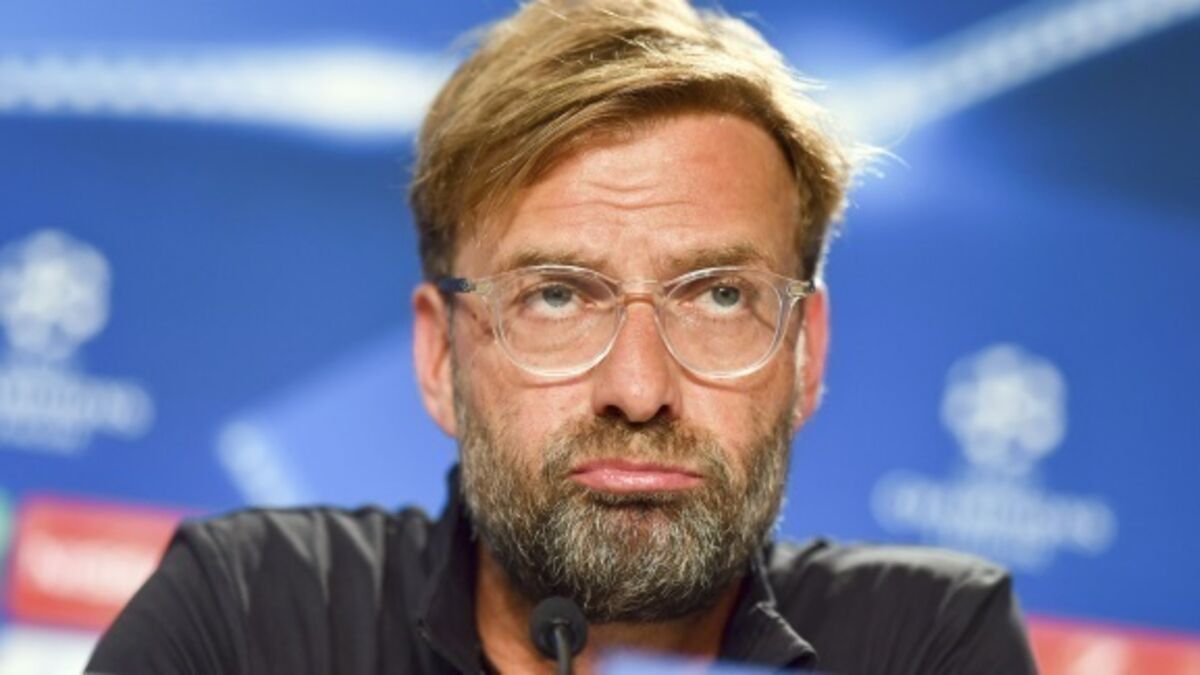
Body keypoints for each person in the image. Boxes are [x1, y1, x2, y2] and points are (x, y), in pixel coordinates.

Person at [87, 1, 1037, 673]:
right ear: (440, 356)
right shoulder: (248, 617)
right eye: (555, 296)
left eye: (718, 296)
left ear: (805, 352)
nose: (638, 387)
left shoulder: (926, 641)